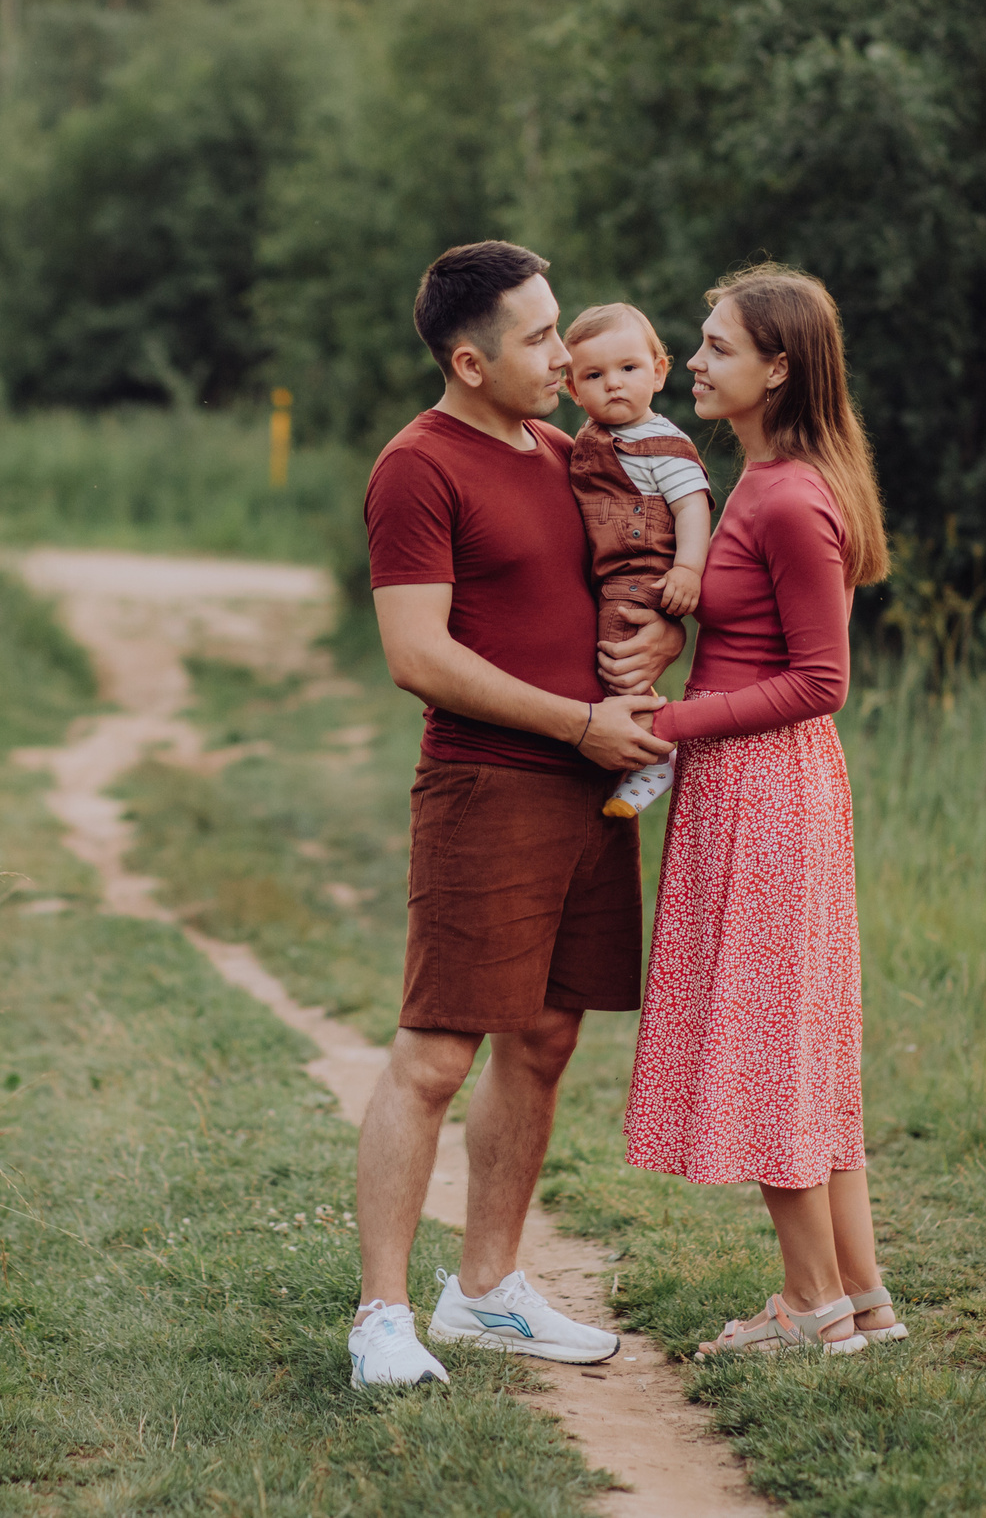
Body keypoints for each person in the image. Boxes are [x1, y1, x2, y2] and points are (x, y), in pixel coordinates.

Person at [346, 241, 686, 1388]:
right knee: (437, 1053)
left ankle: (485, 1291)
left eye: (559, 328)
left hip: (590, 791)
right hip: (487, 787)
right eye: (539, 339)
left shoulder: (566, 450)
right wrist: (573, 722)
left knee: (543, 1039)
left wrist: (663, 636)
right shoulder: (416, 468)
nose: (565, 351)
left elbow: (636, 571)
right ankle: (381, 1319)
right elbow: (415, 654)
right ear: (468, 359)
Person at [615, 262, 909, 1356]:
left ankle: (806, 1306)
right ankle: (861, 1298)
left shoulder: (787, 496)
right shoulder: (768, 476)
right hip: (767, 783)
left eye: (717, 347)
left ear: (778, 369)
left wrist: (671, 722)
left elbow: (822, 682)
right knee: (806, 1048)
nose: (693, 360)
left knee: (771, 1046)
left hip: (763, 788)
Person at [561, 303, 714, 819]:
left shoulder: (664, 445)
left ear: (659, 370)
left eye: (629, 369)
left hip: (645, 575)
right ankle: (646, 738)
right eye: (594, 375)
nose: (614, 384)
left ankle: (654, 749)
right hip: (609, 572)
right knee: (608, 653)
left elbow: (692, 506)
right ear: (573, 390)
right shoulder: (584, 442)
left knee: (618, 654)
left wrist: (688, 570)